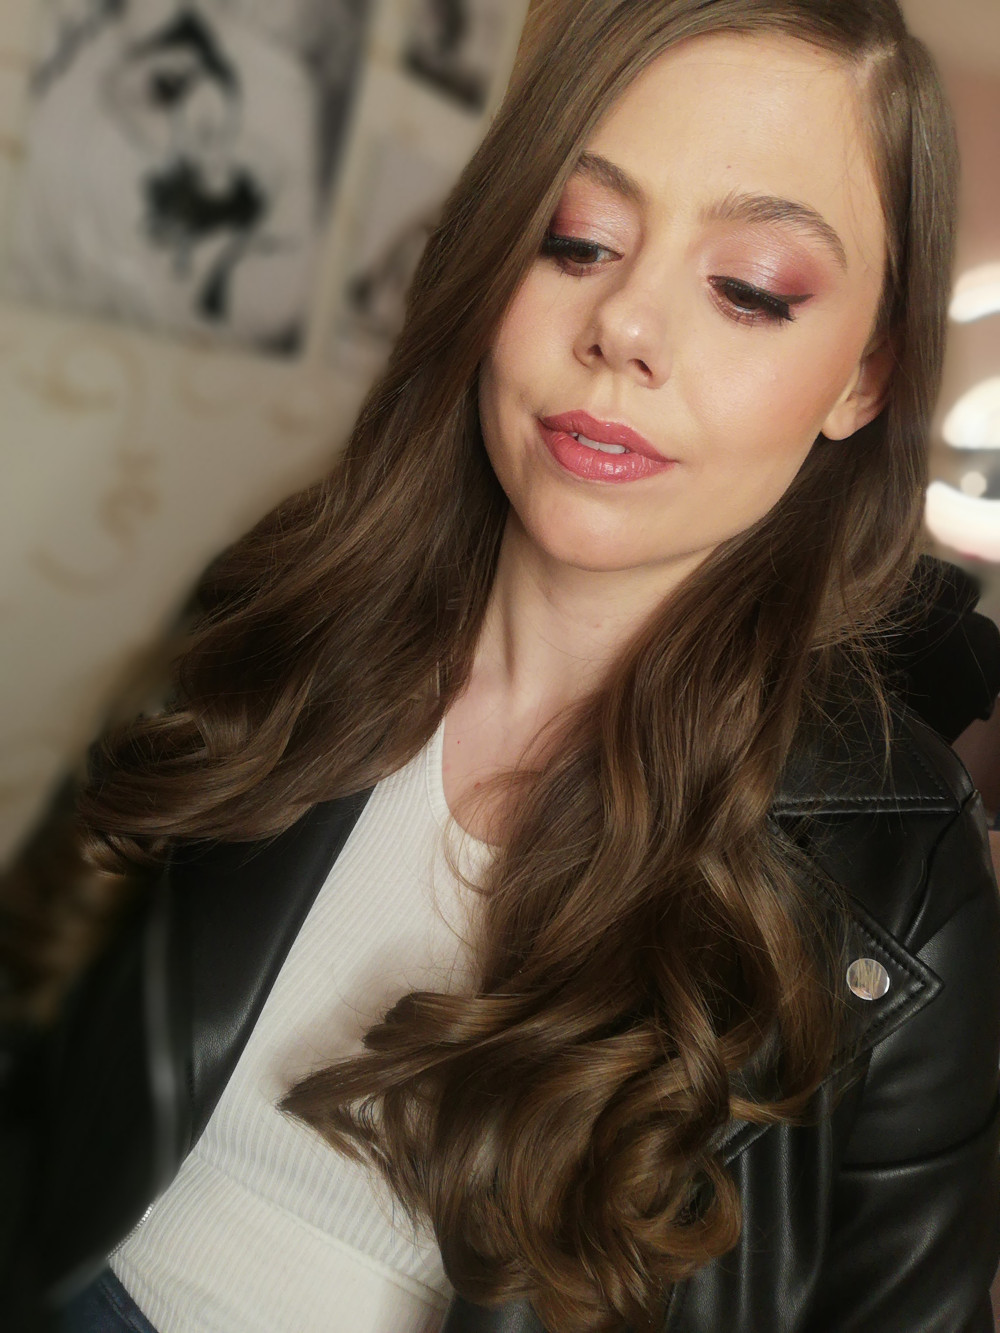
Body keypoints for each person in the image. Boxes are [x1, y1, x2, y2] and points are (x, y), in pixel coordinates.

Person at [3, 0, 1000, 1330]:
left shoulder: (907, 879)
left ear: (862, 380)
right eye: (576, 239)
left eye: (751, 288)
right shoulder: (285, 601)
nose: (624, 326)